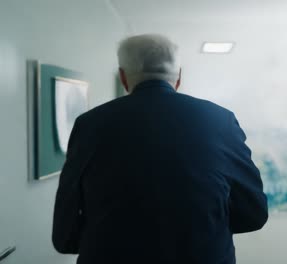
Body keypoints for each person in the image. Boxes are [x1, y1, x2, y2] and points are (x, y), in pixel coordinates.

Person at [52, 34, 268, 264]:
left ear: (123, 77)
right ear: (178, 77)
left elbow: (65, 232)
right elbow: (253, 214)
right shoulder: (221, 120)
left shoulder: (90, 124)